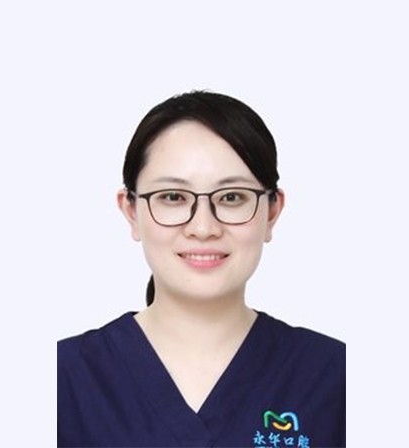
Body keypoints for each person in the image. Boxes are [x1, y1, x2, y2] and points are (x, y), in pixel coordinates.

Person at [57, 91, 346, 448]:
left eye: (232, 197)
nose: (204, 228)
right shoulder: (61, 380)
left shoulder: (335, 377)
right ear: (131, 211)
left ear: (272, 212)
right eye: (173, 197)